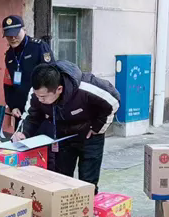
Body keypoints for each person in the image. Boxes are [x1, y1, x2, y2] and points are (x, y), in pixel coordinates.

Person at [14, 61, 120, 191]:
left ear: (59, 89)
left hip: (89, 135)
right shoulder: (37, 93)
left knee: (88, 183)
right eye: (37, 96)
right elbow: (31, 115)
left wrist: (98, 128)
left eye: (43, 97)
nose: (40, 100)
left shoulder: (86, 87)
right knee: (62, 180)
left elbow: (113, 101)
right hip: (63, 135)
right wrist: (23, 133)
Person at [3, 15, 53, 130]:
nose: (13, 38)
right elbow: (8, 83)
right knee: (20, 138)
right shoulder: (9, 55)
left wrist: (48, 104)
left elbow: (51, 77)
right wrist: (13, 106)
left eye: (15, 33)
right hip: (20, 110)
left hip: (40, 107)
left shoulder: (38, 47)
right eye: (9, 35)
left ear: (24, 30)